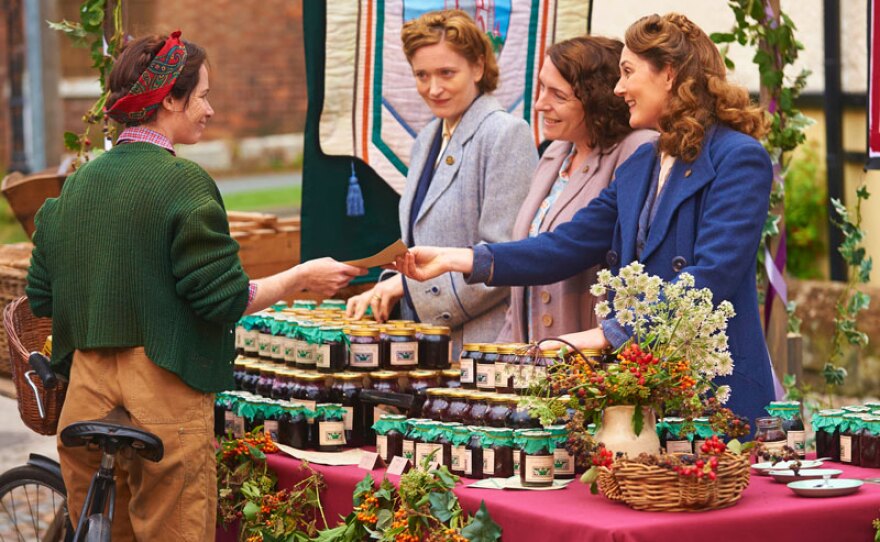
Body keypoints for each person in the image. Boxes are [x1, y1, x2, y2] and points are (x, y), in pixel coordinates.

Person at [26, 32, 365, 541]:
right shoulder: (183, 182)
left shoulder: (76, 184)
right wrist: (298, 278)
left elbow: (43, 297)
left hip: (85, 394)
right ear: (169, 99)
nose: (209, 109)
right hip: (162, 391)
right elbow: (223, 299)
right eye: (202, 95)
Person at [395, 13, 775, 426]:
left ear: (669, 74)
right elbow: (566, 245)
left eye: (628, 72)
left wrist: (608, 335)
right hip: (644, 389)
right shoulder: (641, 164)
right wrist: (460, 258)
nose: (618, 88)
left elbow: (710, 278)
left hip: (714, 393)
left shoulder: (739, 158)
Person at [346, 10, 536, 355]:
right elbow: (418, 243)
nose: (433, 88)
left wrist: (407, 288)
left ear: (478, 68)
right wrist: (386, 287)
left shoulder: (506, 133)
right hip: (428, 344)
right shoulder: (428, 137)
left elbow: (505, 256)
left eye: (447, 73)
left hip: (482, 347)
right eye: (422, 75)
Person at [496, 36, 656, 343]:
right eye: (542, 88)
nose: (540, 104)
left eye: (558, 94)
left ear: (597, 99)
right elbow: (521, 294)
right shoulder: (555, 153)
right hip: (532, 365)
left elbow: (565, 249)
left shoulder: (637, 150)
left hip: (591, 366)